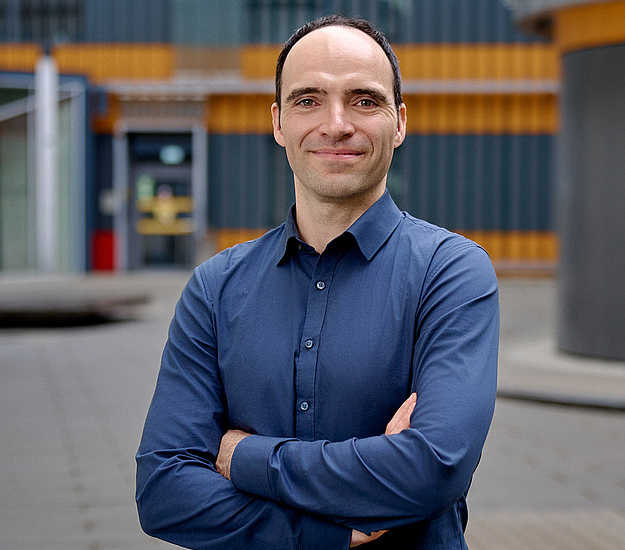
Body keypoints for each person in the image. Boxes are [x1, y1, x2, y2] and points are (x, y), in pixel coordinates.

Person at [136, 14, 499, 549]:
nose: (336, 124)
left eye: (364, 100)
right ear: (279, 123)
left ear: (399, 123)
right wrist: (327, 532)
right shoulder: (216, 287)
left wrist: (241, 456)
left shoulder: (451, 272)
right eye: (308, 100)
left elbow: (433, 469)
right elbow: (164, 491)